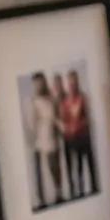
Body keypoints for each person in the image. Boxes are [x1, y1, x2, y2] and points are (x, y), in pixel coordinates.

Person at [27, 72, 62, 208]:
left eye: (41, 82)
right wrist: (34, 136)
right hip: (38, 137)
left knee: (54, 165)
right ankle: (41, 199)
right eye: (36, 82)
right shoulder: (32, 100)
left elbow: (55, 116)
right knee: (39, 169)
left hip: (51, 134)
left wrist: (57, 131)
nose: (39, 85)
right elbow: (31, 121)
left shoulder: (51, 98)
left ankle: (58, 193)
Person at [60, 69, 97, 198]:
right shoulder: (65, 102)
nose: (72, 84)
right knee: (78, 165)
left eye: (74, 81)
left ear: (77, 82)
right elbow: (64, 121)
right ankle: (79, 191)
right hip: (73, 138)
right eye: (70, 82)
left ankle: (94, 188)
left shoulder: (83, 98)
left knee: (90, 164)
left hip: (84, 136)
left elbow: (88, 117)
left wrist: (79, 125)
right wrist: (69, 129)